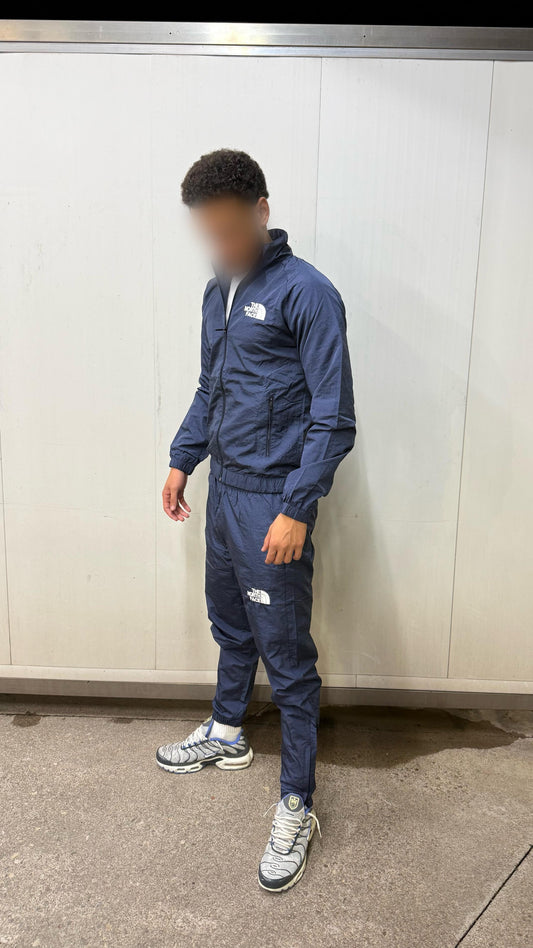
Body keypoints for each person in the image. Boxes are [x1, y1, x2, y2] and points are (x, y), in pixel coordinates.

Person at [156, 149, 356, 892]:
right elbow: (210, 386)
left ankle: (297, 802)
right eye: (210, 233)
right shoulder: (220, 290)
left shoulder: (309, 294)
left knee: (288, 657)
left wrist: (296, 507)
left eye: (233, 229)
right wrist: (183, 458)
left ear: (263, 211)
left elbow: (334, 417)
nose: (224, 244)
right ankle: (227, 731)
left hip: (274, 499)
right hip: (224, 493)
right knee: (230, 624)